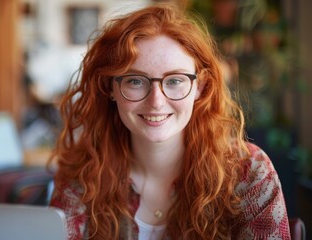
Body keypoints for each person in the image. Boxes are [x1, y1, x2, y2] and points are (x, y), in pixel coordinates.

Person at [49, 3, 290, 240]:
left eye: (174, 81)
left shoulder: (248, 173)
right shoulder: (81, 174)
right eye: (135, 80)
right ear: (110, 87)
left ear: (200, 87)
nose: (156, 101)